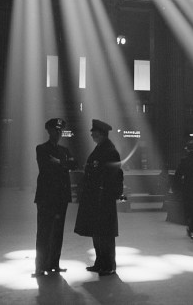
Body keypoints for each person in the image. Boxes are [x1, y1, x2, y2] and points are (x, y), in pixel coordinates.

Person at [75, 119, 123, 276]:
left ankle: (108, 265)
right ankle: (100, 262)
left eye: (94, 132)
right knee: (97, 231)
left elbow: (116, 175)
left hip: (104, 198)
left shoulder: (110, 151)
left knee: (105, 233)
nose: (91, 134)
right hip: (95, 197)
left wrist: (109, 192)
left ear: (102, 133)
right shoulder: (100, 149)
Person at [33, 118, 77, 277]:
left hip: (61, 197)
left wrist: (58, 162)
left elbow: (74, 165)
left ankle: (53, 264)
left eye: (60, 131)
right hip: (46, 196)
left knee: (58, 232)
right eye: (55, 130)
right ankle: (40, 266)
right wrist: (63, 164)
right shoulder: (41, 149)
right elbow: (46, 167)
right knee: (44, 232)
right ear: (49, 131)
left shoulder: (64, 150)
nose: (58, 133)